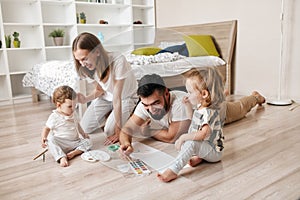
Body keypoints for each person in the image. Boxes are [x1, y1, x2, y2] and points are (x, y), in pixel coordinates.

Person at [119, 71, 265, 156]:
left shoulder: (179, 104)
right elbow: (126, 130)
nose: (150, 109)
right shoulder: (144, 105)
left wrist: (148, 131)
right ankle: (221, 95)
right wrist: (126, 143)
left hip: (217, 113)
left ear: (166, 94)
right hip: (200, 104)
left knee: (240, 108)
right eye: (146, 105)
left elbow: (172, 137)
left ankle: (255, 97)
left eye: (155, 103)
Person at [157, 67, 225, 182]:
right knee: (187, 142)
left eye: (190, 92)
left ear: (204, 94)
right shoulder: (201, 107)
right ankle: (200, 157)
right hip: (205, 145)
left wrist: (183, 137)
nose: (187, 95)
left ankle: (173, 170)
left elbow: (203, 134)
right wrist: (188, 106)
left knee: (190, 142)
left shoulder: (209, 112)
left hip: (214, 152)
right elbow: (192, 119)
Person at [72, 32, 138, 145]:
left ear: (97, 52)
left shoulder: (118, 60)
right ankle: (110, 115)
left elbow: (117, 98)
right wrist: (85, 99)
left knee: (109, 131)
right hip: (107, 97)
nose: (82, 64)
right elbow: (100, 90)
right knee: (85, 127)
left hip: (125, 97)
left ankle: (132, 113)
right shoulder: (85, 68)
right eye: (79, 60)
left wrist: (119, 130)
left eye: (84, 59)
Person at [41, 85, 92, 167]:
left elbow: (77, 124)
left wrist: (83, 134)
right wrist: (44, 137)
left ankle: (75, 152)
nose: (73, 109)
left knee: (88, 141)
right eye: (69, 106)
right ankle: (61, 156)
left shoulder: (73, 113)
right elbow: (46, 128)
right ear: (58, 105)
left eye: (75, 106)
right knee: (50, 139)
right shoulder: (54, 117)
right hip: (61, 143)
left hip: (74, 142)